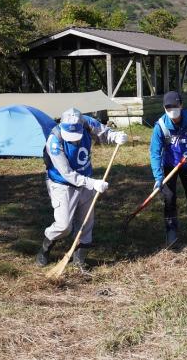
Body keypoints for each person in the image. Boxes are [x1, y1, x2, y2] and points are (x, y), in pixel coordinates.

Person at [36, 108, 128, 268]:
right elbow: (67, 173)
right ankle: (45, 249)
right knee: (64, 226)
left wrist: (116, 136)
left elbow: (103, 132)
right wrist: (93, 183)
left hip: (85, 178)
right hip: (61, 184)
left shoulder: (86, 122)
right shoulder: (54, 142)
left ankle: (79, 259)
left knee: (86, 222)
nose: (74, 140)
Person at [150, 91, 187, 246]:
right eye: (168, 107)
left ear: (181, 105)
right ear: (164, 108)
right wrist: (158, 176)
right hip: (169, 166)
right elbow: (154, 153)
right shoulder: (160, 126)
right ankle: (171, 229)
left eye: (175, 106)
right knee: (169, 198)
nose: (172, 110)